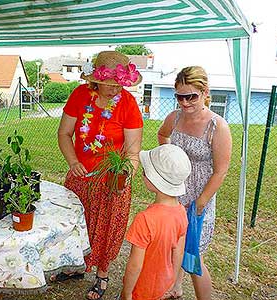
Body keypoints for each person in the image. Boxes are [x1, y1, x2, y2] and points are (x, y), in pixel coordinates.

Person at [57, 51, 143, 299]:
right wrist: (73, 161)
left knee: (105, 228)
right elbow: (64, 134)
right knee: (77, 224)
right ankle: (76, 265)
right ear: (96, 80)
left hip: (110, 181)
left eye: (120, 84)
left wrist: (124, 175)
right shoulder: (80, 95)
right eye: (109, 84)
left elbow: (133, 152)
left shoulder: (128, 104)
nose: (115, 89)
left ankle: (102, 274)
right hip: (81, 176)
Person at [157, 66, 232, 300]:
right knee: (173, 246)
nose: (185, 102)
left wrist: (201, 202)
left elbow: (221, 170)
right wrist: (169, 158)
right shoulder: (175, 116)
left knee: (194, 255)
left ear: (205, 92)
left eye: (191, 96)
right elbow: (162, 135)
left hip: (201, 195)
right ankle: (176, 287)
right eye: (180, 96)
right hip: (175, 190)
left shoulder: (217, 126)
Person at [118, 144, 190, 300]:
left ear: (154, 180)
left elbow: (134, 266)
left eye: (145, 171)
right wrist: (172, 282)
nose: (143, 174)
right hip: (162, 286)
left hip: (141, 290)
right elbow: (178, 252)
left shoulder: (144, 219)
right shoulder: (181, 212)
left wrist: (127, 293)